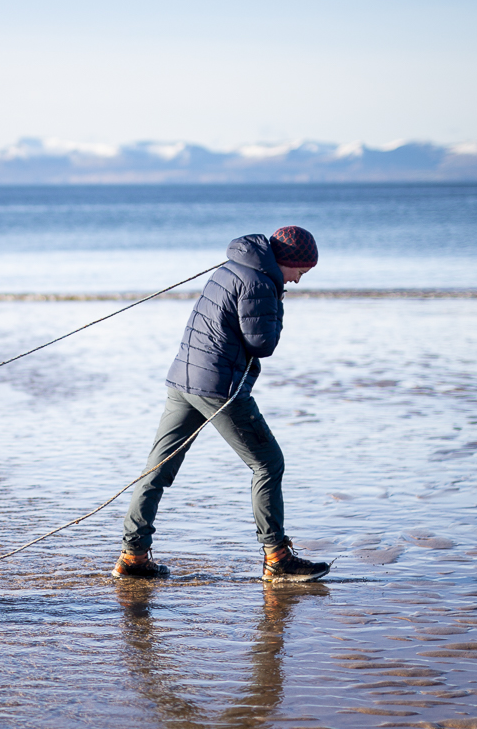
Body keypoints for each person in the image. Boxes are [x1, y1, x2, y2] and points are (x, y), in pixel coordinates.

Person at [114, 226, 332, 583]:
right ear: (286, 261)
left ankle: (133, 556)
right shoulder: (262, 284)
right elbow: (263, 343)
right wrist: (277, 302)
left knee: (157, 470)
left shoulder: (231, 266)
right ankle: (277, 557)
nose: (297, 281)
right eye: (300, 273)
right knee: (268, 463)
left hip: (183, 379)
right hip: (219, 387)